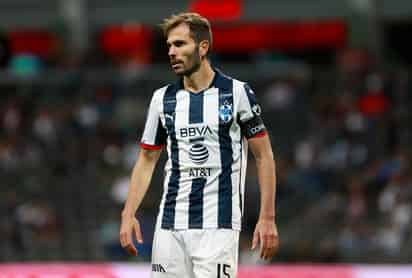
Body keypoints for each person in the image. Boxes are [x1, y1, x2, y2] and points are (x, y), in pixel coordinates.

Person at [119, 12, 279, 278]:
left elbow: (264, 156)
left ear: (203, 47)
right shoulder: (162, 100)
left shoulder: (236, 93)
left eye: (180, 44)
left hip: (218, 226)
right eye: (169, 45)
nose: (171, 51)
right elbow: (147, 159)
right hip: (169, 225)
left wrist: (268, 218)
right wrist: (128, 213)